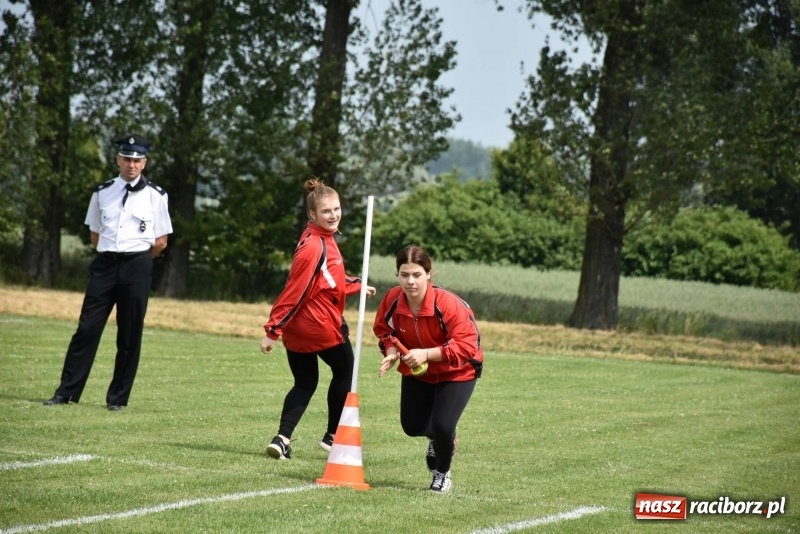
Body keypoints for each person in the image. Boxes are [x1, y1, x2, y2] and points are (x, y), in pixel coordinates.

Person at [44, 134, 173, 411]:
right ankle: (66, 392)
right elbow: (94, 233)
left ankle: (117, 398)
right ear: (118, 160)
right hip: (105, 266)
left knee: (129, 334)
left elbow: (160, 242)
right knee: (87, 329)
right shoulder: (102, 192)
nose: (131, 165)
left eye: (137, 160)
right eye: (127, 159)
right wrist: (113, 255)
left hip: (137, 265)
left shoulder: (156, 196)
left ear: (145, 163)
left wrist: (136, 259)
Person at [260, 178, 375, 460]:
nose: (333, 215)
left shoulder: (321, 239)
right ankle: (332, 435)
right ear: (312, 215)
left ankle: (282, 438)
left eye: (336, 209)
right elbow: (296, 290)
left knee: (305, 382)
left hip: (298, 333)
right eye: (326, 211)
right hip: (319, 326)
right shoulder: (315, 246)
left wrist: (357, 284)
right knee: (347, 370)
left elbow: (327, 280)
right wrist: (272, 330)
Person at [373, 245, 483, 493]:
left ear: (429, 274)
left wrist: (425, 353)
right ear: (397, 275)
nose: (410, 281)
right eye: (404, 275)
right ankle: (436, 438)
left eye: (416, 275)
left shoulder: (448, 304)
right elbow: (383, 330)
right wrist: (391, 353)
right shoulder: (392, 299)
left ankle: (442, 474)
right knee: (411, 426)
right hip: (419, 371)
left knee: (444, 424)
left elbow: (467, 345)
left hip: (458, 370)